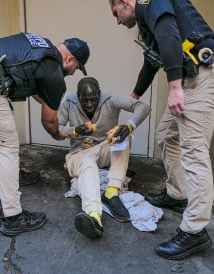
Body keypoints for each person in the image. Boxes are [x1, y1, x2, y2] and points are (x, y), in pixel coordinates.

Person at [109, 0, 214, 259]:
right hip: (190, 80)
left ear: (125, 2)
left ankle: (194, 232)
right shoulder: (147, 21)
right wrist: (135, 94)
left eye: (116, 14)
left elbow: (169, 33)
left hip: (201, 77)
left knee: (194, 153)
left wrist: (174, 87)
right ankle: (178, 195)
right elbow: (153, 60)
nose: (117, 21)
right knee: (167, 135)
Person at [0, 32, 90, 236]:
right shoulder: (54, 74)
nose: (74, 71)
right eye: (77, 67)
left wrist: (49, 103)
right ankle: (13, 217)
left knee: (1, 138)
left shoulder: (43, 47)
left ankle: (12, 177)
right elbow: (48, 121)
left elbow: (33, 84)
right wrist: (58, 134)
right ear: (70, 59)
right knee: (6, 146)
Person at [58, 77, 151, 238]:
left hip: (104, 150)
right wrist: (74, 131)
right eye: (84, 100)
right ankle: (94, 216)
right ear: (77, 95)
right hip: (79, 154)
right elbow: (56, 128)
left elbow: (143, 106)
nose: (88, 104)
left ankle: (111, 191)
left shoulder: (110, 99)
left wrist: (129, 126)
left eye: (92, 100)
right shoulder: (69, 103)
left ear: (99, 95)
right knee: (88, 164)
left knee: (122, 136)